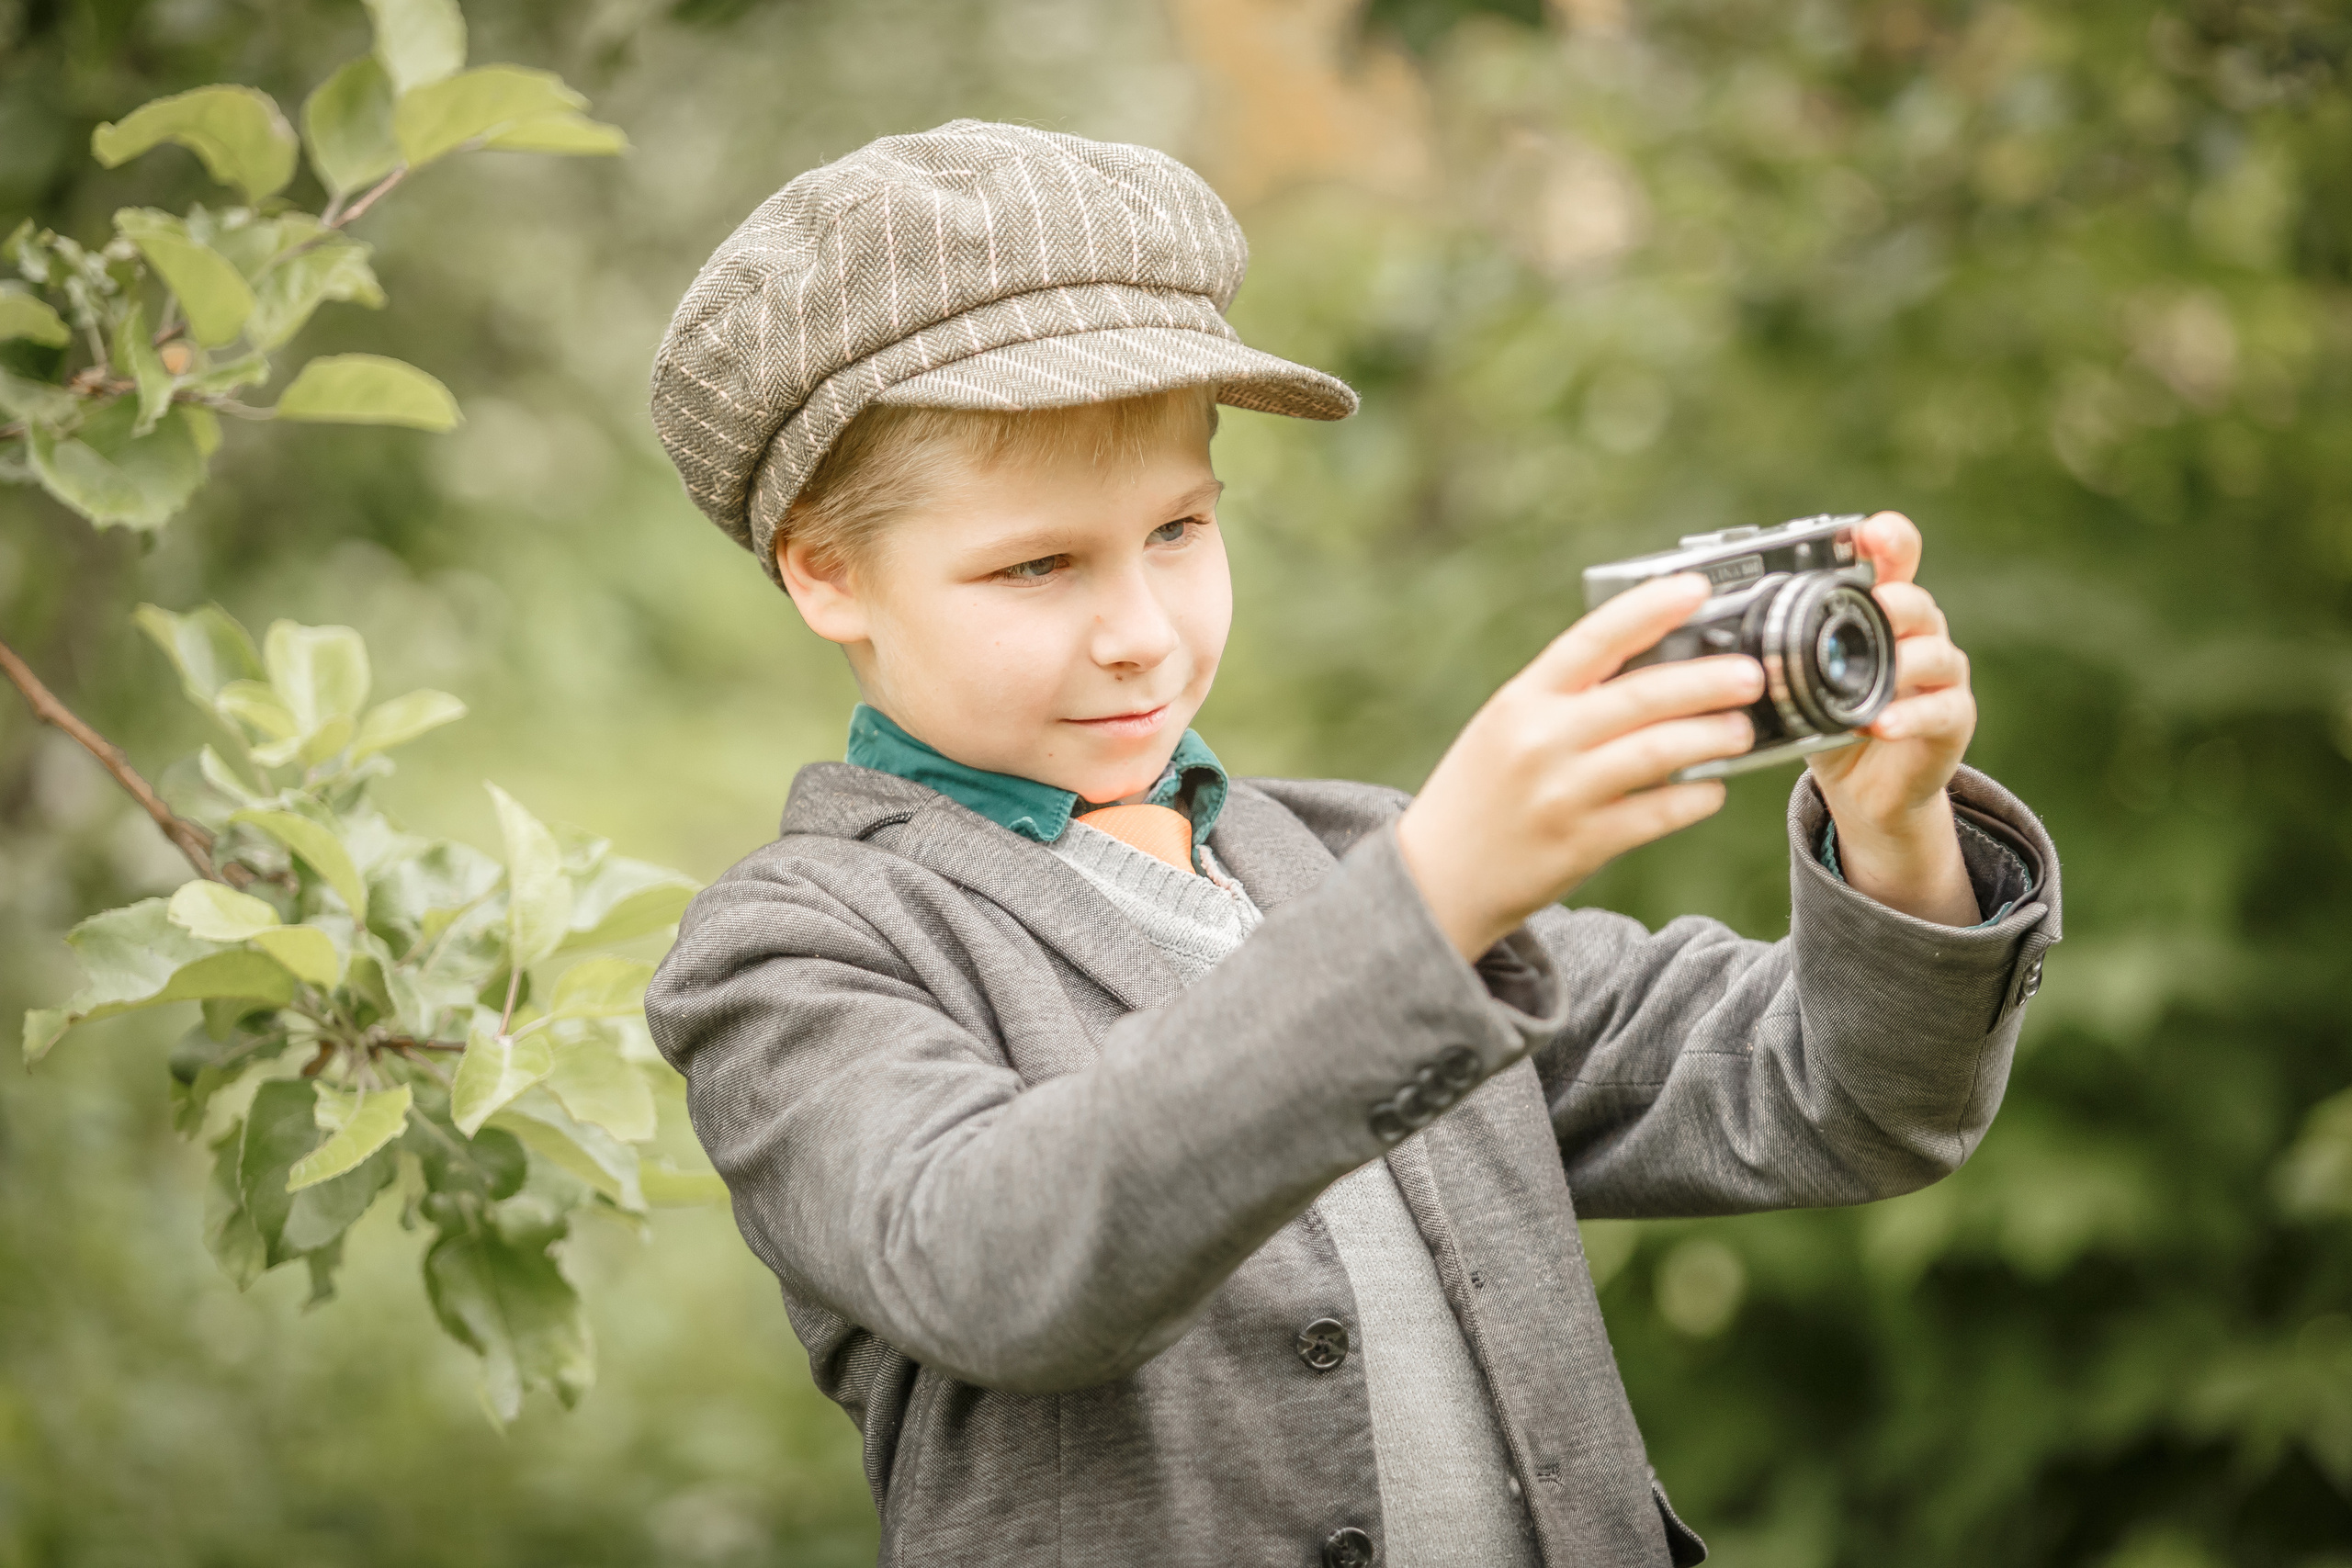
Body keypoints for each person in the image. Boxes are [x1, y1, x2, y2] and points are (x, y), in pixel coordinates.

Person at [640, 119, 2060, 1568]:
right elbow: (1003, 1262)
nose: (1140, 634)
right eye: (1038, 565)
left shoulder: (1339, 858)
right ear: (827, 571)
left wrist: (1895, 835)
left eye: (1181, 530)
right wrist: (1433, 902)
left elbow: (1843, 1100)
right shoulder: (794, 949)